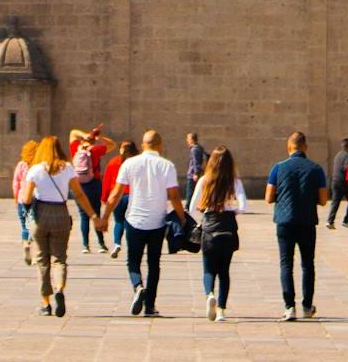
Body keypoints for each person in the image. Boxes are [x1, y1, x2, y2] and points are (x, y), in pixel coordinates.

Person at [101, 129, 188, 318]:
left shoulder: (130, 164)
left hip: (134, 220)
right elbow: (173, 196)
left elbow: (115, 193)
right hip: (157, 222)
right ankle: (149, 306)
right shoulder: (167, 166)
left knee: (133, 261)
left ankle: (138, 286)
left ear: (142, 145)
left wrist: (105, 216)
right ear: (160, 145)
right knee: (154, 264)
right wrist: (182, 218)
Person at [22, 134, 104, 318]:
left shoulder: (35, 169)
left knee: (42, 260)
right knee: (59, 258)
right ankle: (59, 289)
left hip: (41, 215)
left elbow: (26, 199)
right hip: (60, 213)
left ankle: (46, 303)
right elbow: (80, 195)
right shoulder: (67, 168)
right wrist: (93, 216)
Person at [265, 129, 328, 322]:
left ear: (288, 147)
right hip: (307, 221)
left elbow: (268, 197)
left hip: (284, 221)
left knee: (286, 264)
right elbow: (324, 200)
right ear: (305, 147)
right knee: (308, 264)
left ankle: (289, 307)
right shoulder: (316, 169)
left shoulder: (278, 168)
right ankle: (307, 307)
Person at [190, 146, 246, 322]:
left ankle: (210, 295)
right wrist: (231, 212)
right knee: (224, 271)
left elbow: (191, 208)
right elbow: (244, 206)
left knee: (208, 269)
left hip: (209, 228)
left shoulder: (204, 180)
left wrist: (203, 217)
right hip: (228, 229)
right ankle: (221, 309)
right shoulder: (234, 182)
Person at [67, 125, 112, 253]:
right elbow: (112, 145)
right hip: (94, 184)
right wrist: (99, 138)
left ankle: (85, 245)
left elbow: (73, 132)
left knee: (84, 216)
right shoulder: (95, 150)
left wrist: (83, 135)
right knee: (96, 213)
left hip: (78, 184)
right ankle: (101, 244)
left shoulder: (75, 148)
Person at [103, 138, 135, 257]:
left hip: (117, 196)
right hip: (132, 195)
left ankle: (117, 243)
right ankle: (131, 245)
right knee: (129, 222)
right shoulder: (136, 162)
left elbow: (107, 181)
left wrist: (105, 197)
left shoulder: (113, 161)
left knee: (118, 221)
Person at [326, 137, 348, 230]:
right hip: (343, 182)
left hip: (335, 181)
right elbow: (347, 168)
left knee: (335, 202)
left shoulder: (338, 155)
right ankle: (347, 220)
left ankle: (330, 221)